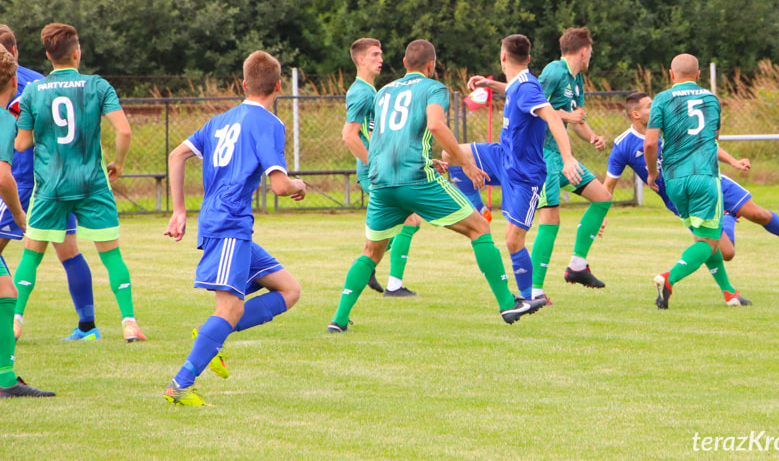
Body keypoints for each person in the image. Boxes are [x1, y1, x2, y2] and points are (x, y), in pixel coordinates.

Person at [327, 39, 546, 333]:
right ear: (431, 66)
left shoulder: (382, 94)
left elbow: (387, 139)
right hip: (416, 180)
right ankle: (508, 303)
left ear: (404, 64)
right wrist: (464, 164)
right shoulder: (434, 88)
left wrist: (430, 160)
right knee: (480, 228)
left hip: (382, 184)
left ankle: (339, 320)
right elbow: (435, 125)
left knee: (371, 251)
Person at [163, 50, 305, 406]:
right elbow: (280, 186)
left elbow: (176, 155)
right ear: (278, 87)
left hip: (230, 227)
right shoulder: (270, 123)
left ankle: (215, 336)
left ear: (243, 84)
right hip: (228, 225)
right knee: (228, 309)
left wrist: (179, 210)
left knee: (289, 290)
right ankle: (180, 384)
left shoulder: (220, 121)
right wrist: (298, 185)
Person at [13, 23, 146, 341]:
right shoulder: (98, 85)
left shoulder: (32, 91)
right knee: (111, 254)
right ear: (77, 53)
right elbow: (124, 131)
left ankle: (15, 321)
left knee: (31, 253)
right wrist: (119, 163)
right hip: (92, 184)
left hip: (51, 187)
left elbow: (21, 144)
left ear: (48, 55)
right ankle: (129, 323)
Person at [604, 92, 779, 268]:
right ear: (635, 115)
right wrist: (601, 216)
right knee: (726, 253)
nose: (656, 108)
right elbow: (609, 186)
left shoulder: (673, 127)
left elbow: (706, 144)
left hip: (709, 179)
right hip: (683, 199)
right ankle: (728, 217)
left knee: (759, 214)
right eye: (649, 106)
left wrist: (734, 161)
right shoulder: (623, 145)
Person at [444, 35, 581, 300]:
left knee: (512, 241)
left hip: (524, 174)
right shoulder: (519, 84)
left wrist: (568, 158)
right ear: (527, 59)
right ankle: (479, 209)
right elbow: (512, 90)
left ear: (502, 56)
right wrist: (489, 83)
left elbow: (552, 116)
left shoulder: (529, 87)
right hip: (502, 156)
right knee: (451, 153)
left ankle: (531, 296)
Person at [0, 25, 100, 341]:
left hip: (16, 179)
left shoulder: (14, 83)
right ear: (15, 51)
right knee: (69, 250)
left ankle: (10, 322)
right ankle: (88, 326)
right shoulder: (43, 82)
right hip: (53, 179)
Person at [645, 54, 750, 309]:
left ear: (671, 74)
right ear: (699, 75)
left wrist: (651, 173)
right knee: (708, 241)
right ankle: (669, 279)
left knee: (705, 238)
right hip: (704, 176)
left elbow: (650, 143)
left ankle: (729, 293)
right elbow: (712, 139)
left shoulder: (661, 99)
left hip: (674, 179)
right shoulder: (711, 99)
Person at [531, 28, 613, 299]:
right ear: (583, 51)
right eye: (591, 50)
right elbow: (531, 107)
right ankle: (534, 290)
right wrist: (568, 116)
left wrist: (591, 137)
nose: (592, 55)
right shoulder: (555, 71)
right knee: (550, 220)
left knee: (602, 197)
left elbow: (576, 119)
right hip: (542, 156)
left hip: (561, 157)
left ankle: (577, 266)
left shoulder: (577, 80)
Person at [343, 38, 418, 297]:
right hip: (374, 173)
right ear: (361, 59)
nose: (380, 59)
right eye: (375, 54)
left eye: (381, 54)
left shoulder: (370, 91)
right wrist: (373, 164)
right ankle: (391, 284)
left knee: (408, 221)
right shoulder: (362, 92)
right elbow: (350, 135)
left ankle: (370, 266)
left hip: (382, 171)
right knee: (410, 220)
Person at [0, 45, 54, 397]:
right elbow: (3, 177)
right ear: (15, 80)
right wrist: (21, 215)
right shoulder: (5, 119)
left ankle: (5, 380)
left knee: (7, 291)